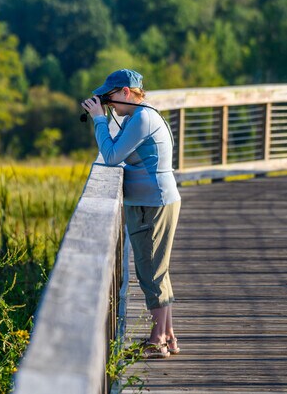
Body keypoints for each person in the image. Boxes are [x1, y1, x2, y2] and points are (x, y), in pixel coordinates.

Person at [81, 69, 181, 359]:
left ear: (126, 92)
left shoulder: (143, 118)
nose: (108, 104)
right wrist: (104, 115)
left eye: (110, 97)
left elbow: (111, 156)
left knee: (151, 271)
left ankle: (158, 338)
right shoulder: (142, 115)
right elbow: (117, 151)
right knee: (156, 270)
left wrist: (99, 119)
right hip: (153, 200)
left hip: (152, 203)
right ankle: (168, 336)